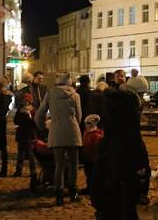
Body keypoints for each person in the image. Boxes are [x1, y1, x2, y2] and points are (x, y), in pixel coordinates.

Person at [92, 89, 149, 220]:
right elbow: (134, 143)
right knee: (130, 189)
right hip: (126, 160)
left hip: (111, 156)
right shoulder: (129, 121)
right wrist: (140, 165)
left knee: (112, 186)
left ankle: (108, 218)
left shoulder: (110, 115)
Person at [35, 72, 83, 205]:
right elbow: (79, 116)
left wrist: (42, 127)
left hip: (56, 131)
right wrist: (74, 124)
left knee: (59, 165)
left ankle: (59, 195)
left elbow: (40, 113)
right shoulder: (75, 95)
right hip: (72, 131)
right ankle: (73, 193)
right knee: (73, 164)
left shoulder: (51, 94)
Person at [13, 94, 38, 190]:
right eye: (24, 100)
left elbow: (34, 123)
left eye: (27, 100)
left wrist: (28, 117)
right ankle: (18, 170)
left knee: (31, 154)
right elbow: (16, 121)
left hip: (30, 134)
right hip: (21, 134)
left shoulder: (32, 110)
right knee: (20, 153)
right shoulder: (20, 110)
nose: (25, 102)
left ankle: (33, 171)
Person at [81, 114, 103, 195]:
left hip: (92, 159)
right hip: (88, 158)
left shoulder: (96, 135)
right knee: (89, 175)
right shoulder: (88, 133)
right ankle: (90, 188)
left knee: (92, 175)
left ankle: (93, 189)